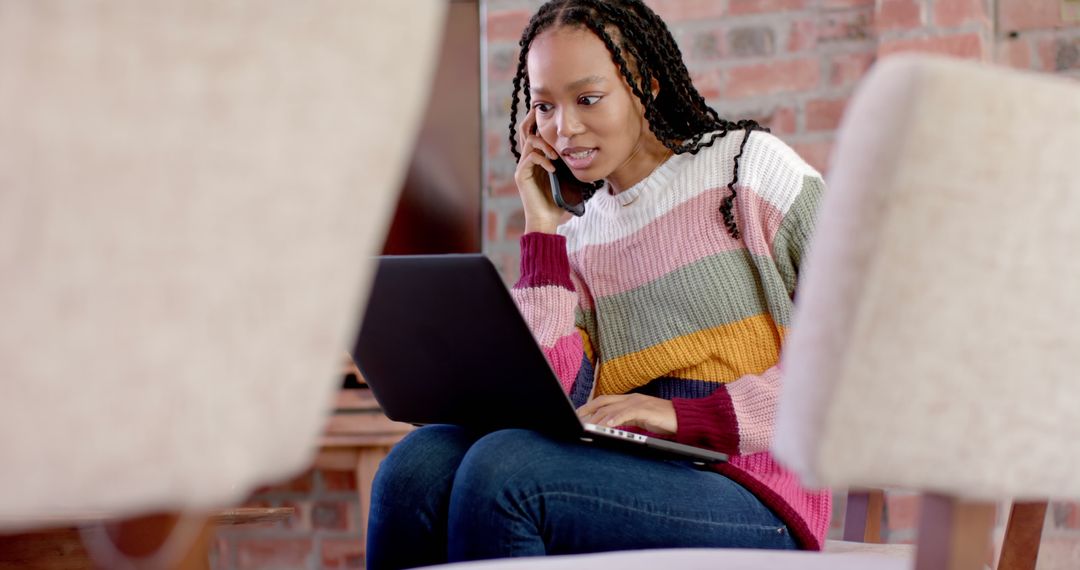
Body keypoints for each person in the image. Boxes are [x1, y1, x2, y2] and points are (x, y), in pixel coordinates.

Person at [366, 1, 830, 567]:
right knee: (415, 464)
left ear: (646, 85)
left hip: (755, 483)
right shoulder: (582, 231)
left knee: (507, 472)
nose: (566, 129)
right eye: (545, 107)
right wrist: (543, 230)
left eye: (588, 99)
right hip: (635, 462)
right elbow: (555, 396)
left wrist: (686, 417)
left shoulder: (750, 170)